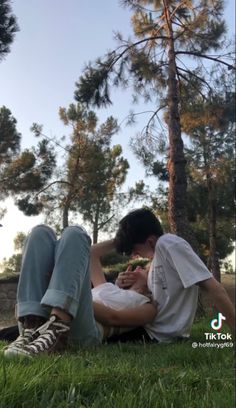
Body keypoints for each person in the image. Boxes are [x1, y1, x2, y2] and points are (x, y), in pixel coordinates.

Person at [3, 224, 156, 357]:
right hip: (49, 316)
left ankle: (58, 328)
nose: (137, 268)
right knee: (40, 233)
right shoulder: (107, 286)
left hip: (85, 332)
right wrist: (124, 240)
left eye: (143, 269)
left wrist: (64, 293)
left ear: (151, 280)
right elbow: (91, 253)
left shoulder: (148, 306)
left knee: (78, 234)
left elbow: (113, 318)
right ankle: (30, 327)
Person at [111, 208, 235, 342]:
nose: (134, 255)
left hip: (158, 334)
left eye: (134, 249)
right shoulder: (157, 258)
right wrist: (126, 286)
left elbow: (215, 289)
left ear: (151, 241)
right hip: (152, 330)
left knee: (98, 328)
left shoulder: (169, 243)